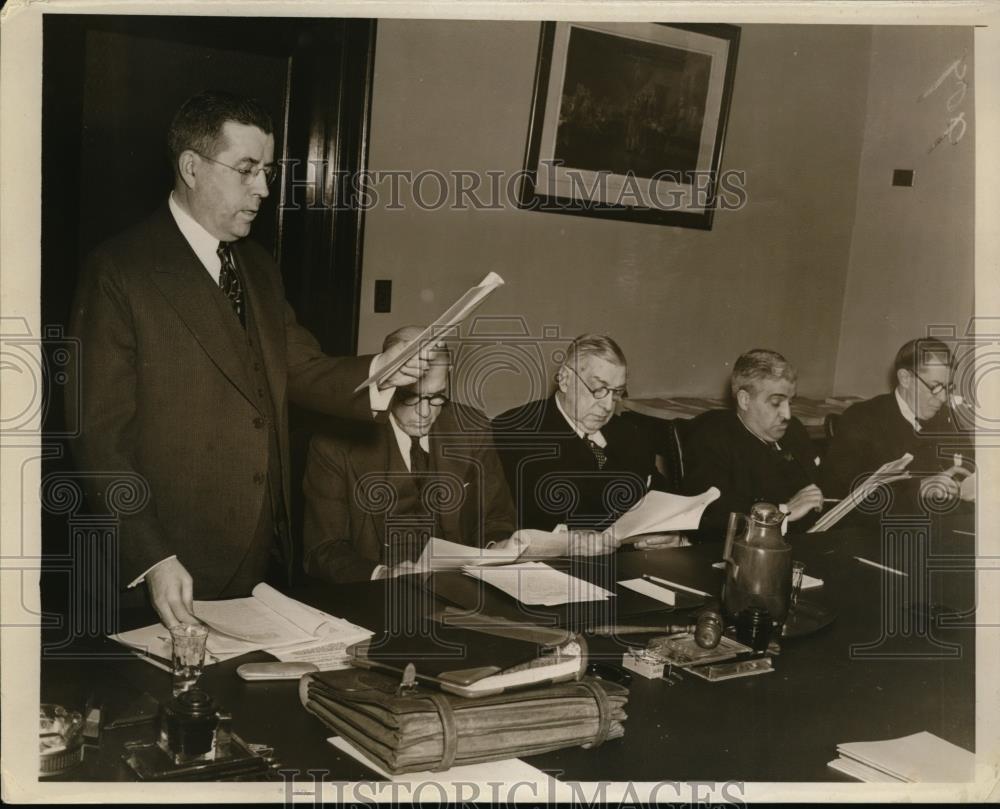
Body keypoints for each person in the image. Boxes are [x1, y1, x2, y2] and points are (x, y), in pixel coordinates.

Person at [67, 90, 427, 627]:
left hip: (263, 555)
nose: (262, 189)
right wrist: (152, 557)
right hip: (172, 564)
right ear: (192, 167)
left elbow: (300, 367)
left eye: (267, 170)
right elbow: (98, 436)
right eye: (246, 169)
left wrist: (382, 369)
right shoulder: (121, 269)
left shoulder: (257, 267)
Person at [302, 328, 517, 583]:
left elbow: (496, 516)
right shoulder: (335, 442)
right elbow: (322, 551)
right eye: (411, 397)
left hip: (459, 586)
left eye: (436, 396)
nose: (425, 412)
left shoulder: (471, 428)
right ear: (387, 381)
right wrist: (382, 573)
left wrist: (495, 545)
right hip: (375, 593)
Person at [491, 334, 673, 553]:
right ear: (566, 379)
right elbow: (513, 523)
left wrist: (671, 533)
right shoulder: (517, 432)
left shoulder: (629, 434)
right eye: (598, 390)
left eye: (616, 393)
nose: (607, 406)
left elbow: (661, 499)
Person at [681, 349, 823, 539]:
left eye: (790, 402)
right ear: (745, 400)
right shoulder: (711, 435)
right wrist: (782, 512)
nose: (787, 415)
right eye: (775, 403)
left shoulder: (794, 430)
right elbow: (710, 514)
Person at [821, 337, 974, 512]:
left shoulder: (947, 417)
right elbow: (841, 492)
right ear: (905, 378)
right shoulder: (862, 418)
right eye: (936, 387)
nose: (943, 398)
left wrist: (957, 483)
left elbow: (969, 465)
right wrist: (919, 489)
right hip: (880, 529)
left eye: (948, 388)